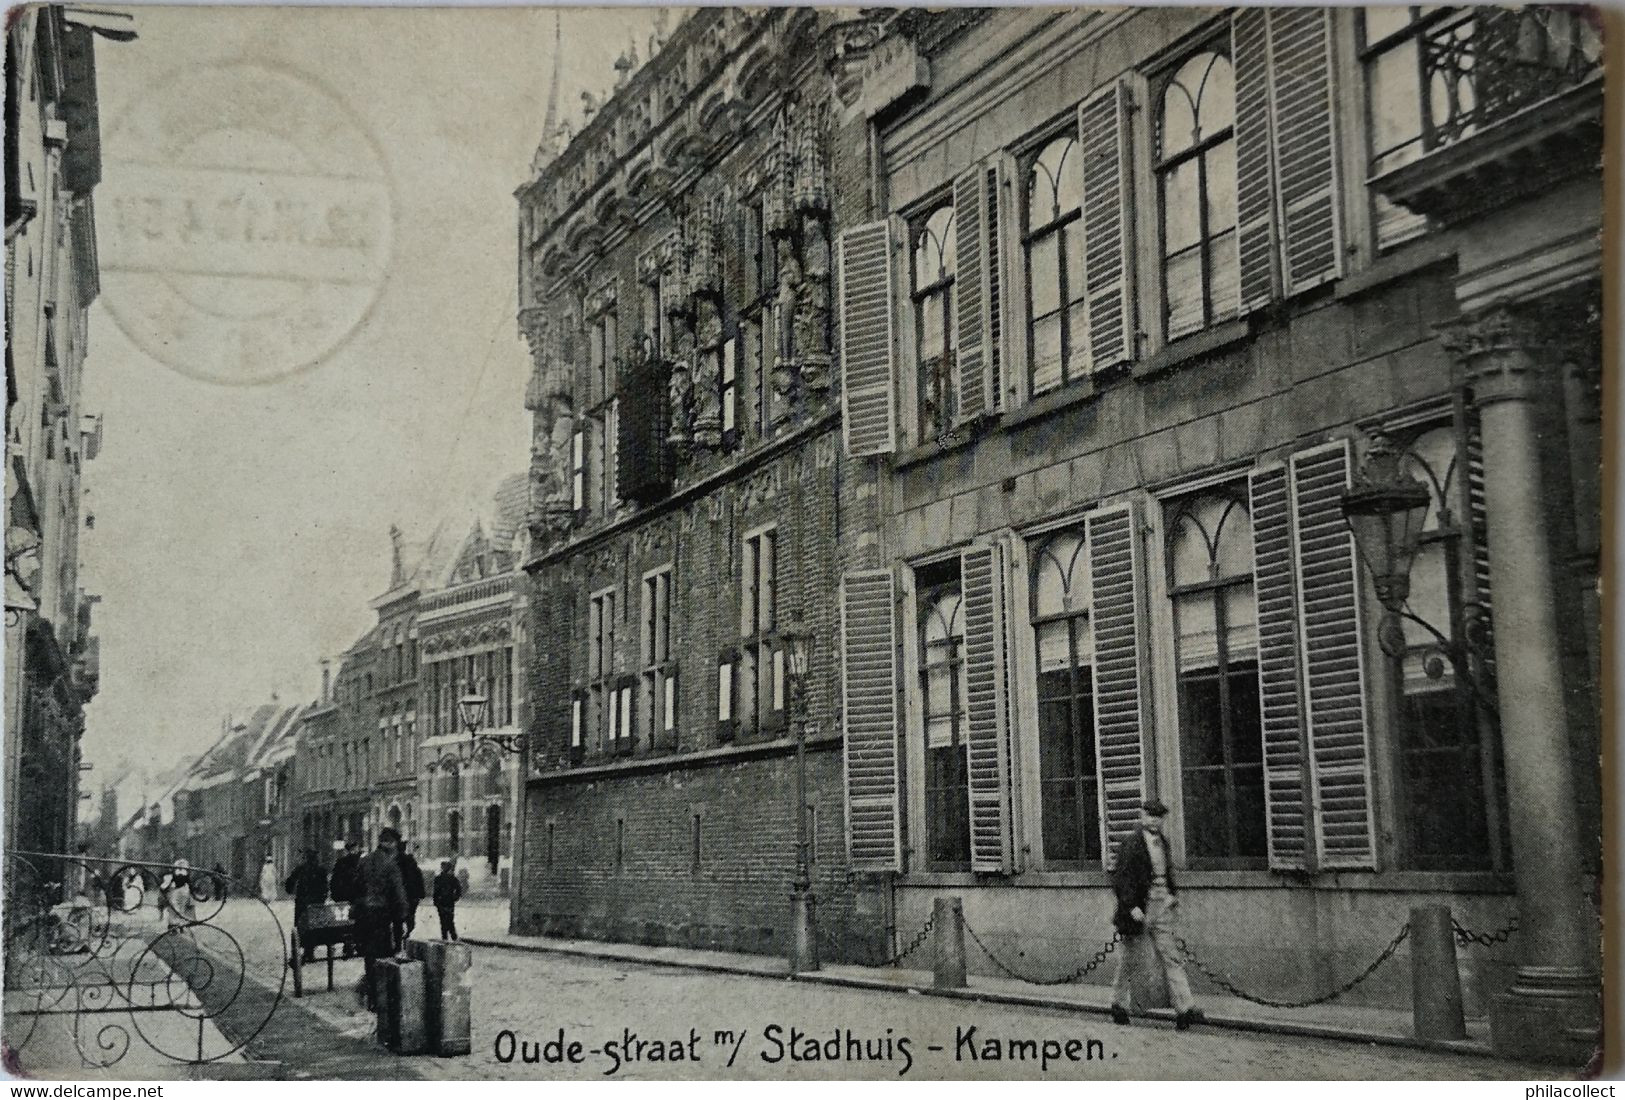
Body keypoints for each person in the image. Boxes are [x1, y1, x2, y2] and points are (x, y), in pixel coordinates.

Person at [1108, 798, 1204, 1030]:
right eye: (1150, 816)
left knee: (1171, 956)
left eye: (1159, 817)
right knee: (1130, 961)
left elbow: (1167, 873)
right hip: (1139, 909)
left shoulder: (1164, 843)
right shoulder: (1131, 844)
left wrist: (1171, 893)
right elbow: (1121, 879)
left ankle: (1185, 1008)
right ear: (1142, 817)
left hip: (1161, 907)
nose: (1154, 821)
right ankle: (1118, 1003)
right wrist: (1132, 907)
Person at [354, 828, 408, 1011]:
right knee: (384, 956)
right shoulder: (391, 865)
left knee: (369, 956)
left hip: (364, 917)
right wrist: (403, 918)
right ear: (391, 843)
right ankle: (380, 999)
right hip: (381, 916)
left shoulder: (364, 861)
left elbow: (355, 887)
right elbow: (399, 896)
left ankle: (371, 997)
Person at [283, 848, 329, 963]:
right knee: (314, 926)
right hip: (316, 904)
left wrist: (290, 890)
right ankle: (310, 951)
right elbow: (325, 888)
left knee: (302, 926)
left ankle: (306, 951)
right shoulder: (322, 870)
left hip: (303, 903)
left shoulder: (301, 869)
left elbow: (290, 883)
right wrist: (322, 899)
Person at [329, 841, 362, 958]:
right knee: (351, 921)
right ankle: (352, 943)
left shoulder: (342, 862)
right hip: (353, 898)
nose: (355, 851)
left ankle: (350, 943)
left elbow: (334, 881)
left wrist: (335, 895)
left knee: (345, 921)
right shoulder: (361, 863)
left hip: (346, 898)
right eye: (354, 849)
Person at [395, 841, 426, 950]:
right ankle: (408, 931)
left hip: (400, 896)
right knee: (410, 916)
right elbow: (418, 877)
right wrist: (421, 894)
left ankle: (400, 941)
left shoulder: (395, 861)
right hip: (412, 895)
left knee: (398, 918)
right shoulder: (411, 862)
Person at [433, 860, 462, 941]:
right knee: (450, 921)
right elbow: (459, 890)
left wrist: (436, 902)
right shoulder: (452, 878)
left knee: (443, 922)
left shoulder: (438, 879)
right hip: (449, 903)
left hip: (441, 903)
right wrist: (455, 898)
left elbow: (435, 892)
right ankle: (454, 938)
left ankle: (445, 938)